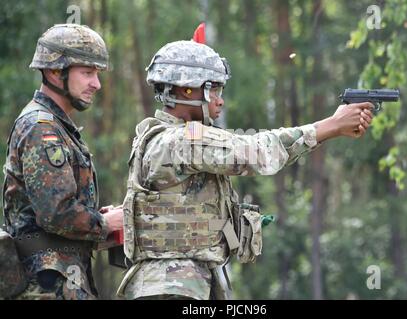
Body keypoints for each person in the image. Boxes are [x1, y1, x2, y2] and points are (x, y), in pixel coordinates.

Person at [117, 40, 373, 300]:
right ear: (186, 90)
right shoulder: (181, 138)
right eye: (213, 90)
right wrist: (330, 125)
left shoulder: (176, 137)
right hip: (172, 286)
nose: (220, 101)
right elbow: (255, 151)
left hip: (183, 282)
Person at [1, 24, 123, 300]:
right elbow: (56, 213)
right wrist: (104, 223)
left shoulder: (56, 126)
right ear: (55, 72)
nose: (97, 83)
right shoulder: (41, 128)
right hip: (46, 283)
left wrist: (97, 217)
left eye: (97, 74)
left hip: (60, 278)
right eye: (87, 73)